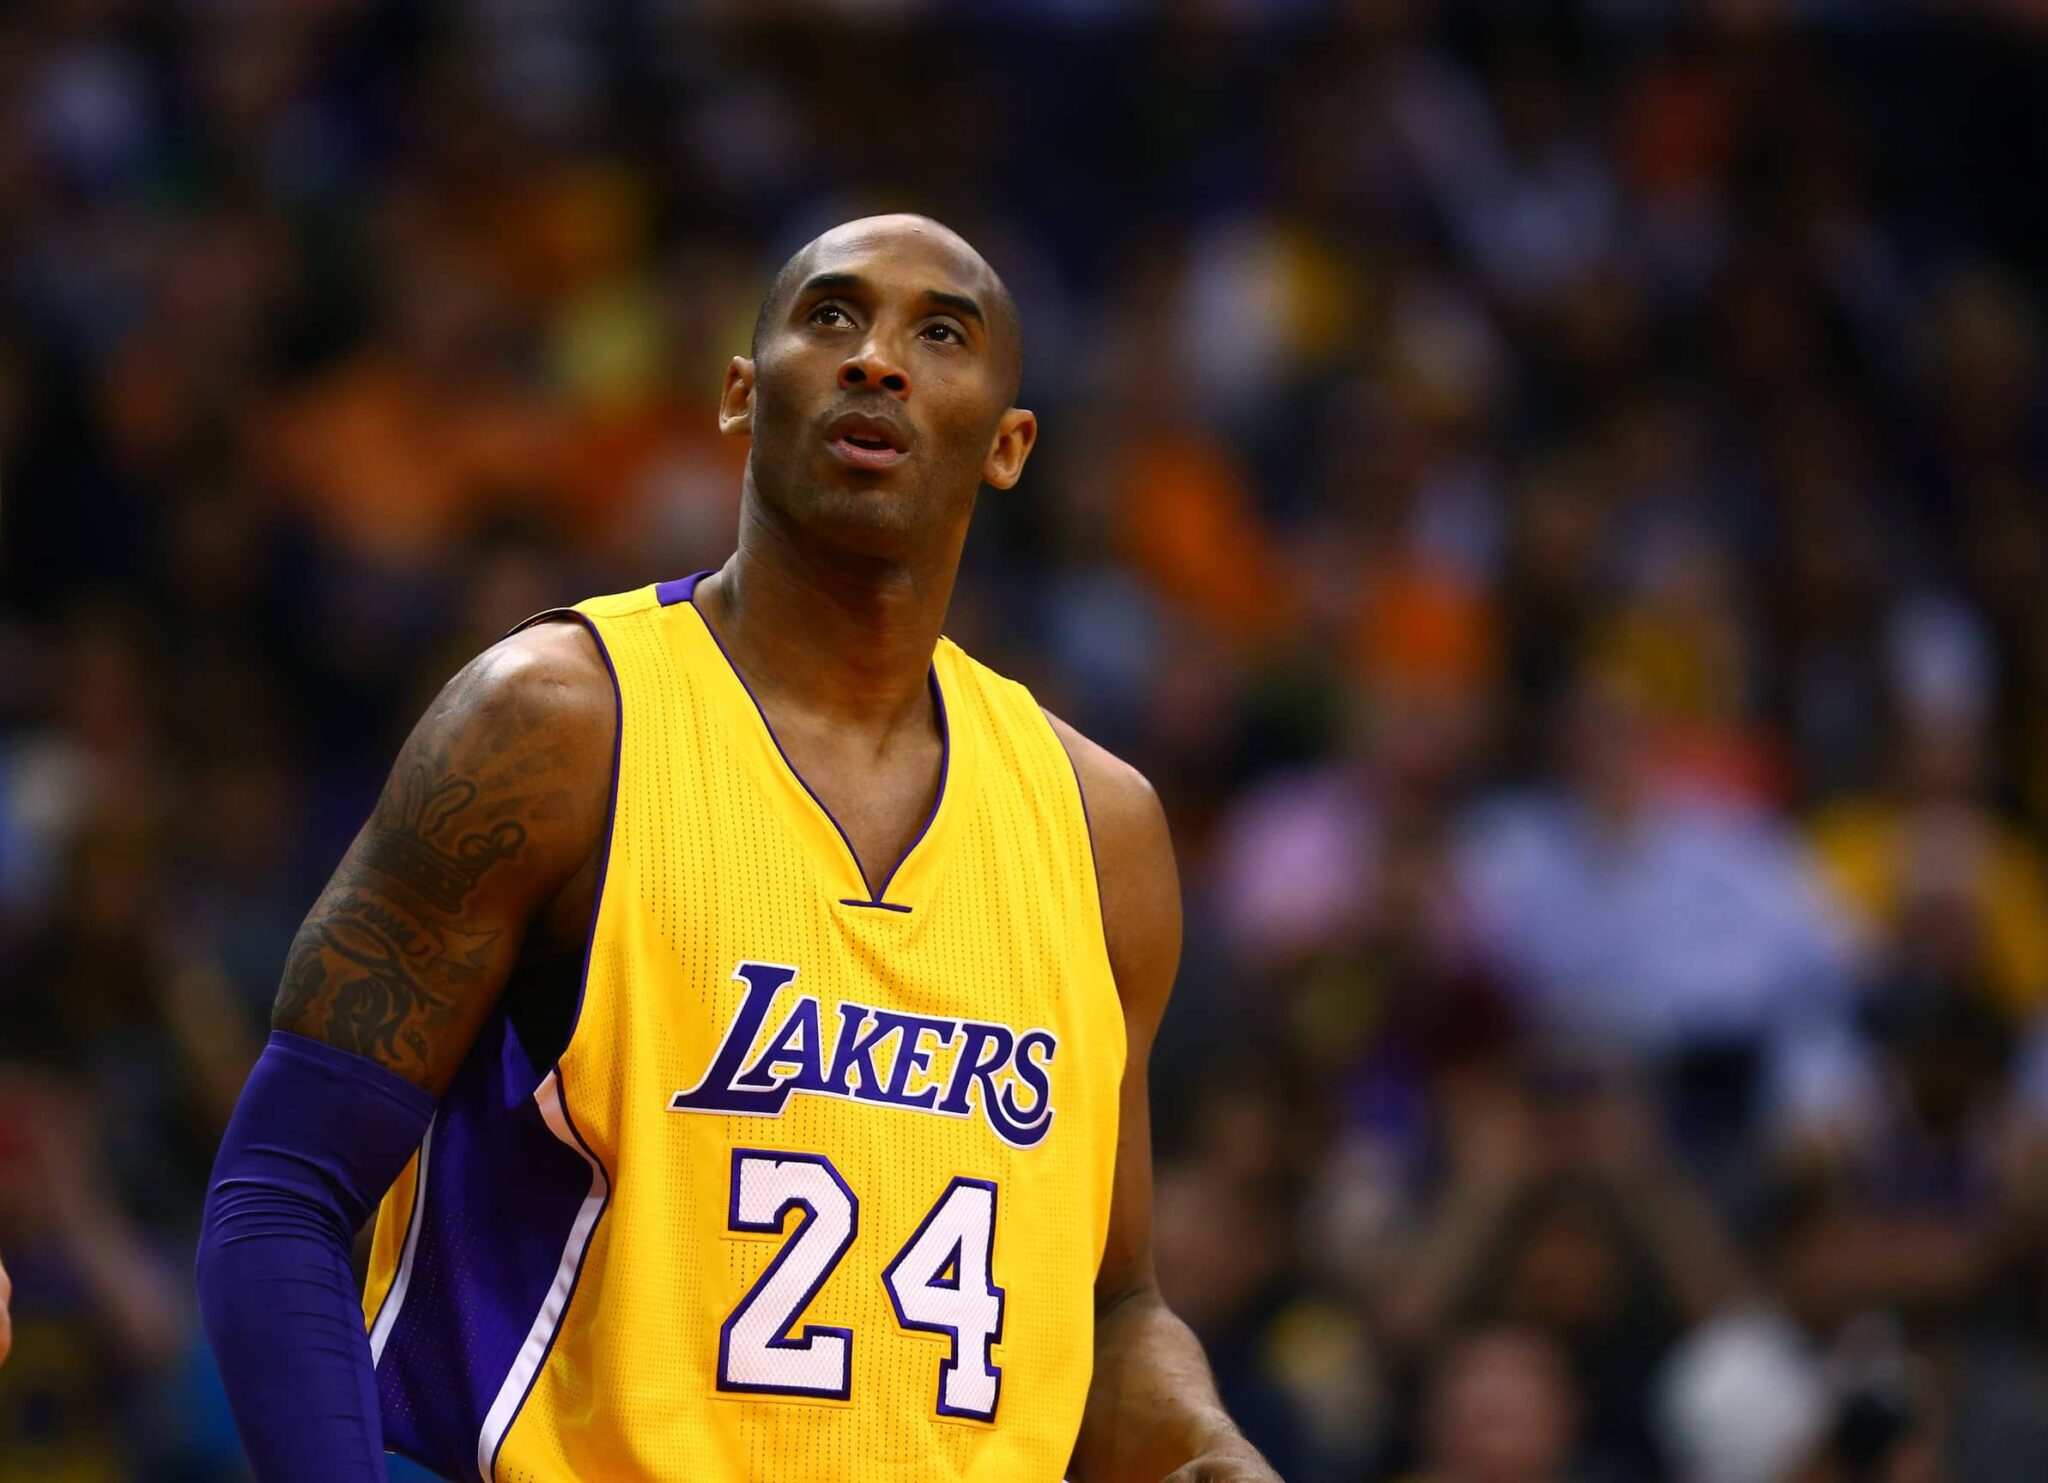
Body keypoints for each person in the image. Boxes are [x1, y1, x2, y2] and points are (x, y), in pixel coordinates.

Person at [195, 214, 1278, 1483]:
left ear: (1007, 445)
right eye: (831, 316)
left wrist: (1207, 1446)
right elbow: (282, 1192)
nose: (875, 358)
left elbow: (1108, 1308)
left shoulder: (1102, 830)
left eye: (940, 334)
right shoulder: (554, 727)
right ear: (740, 393)